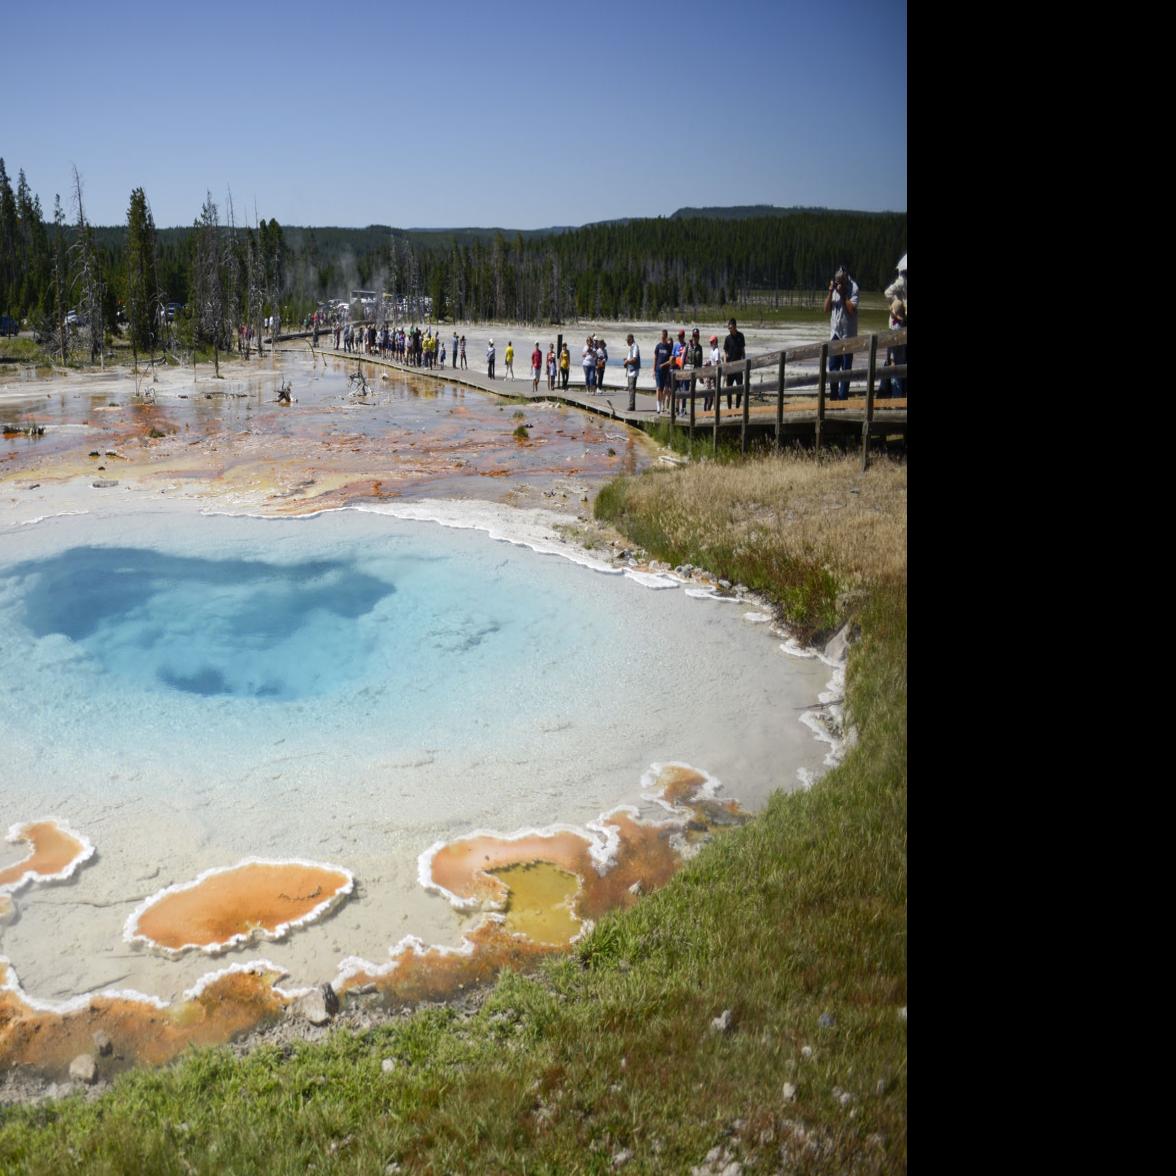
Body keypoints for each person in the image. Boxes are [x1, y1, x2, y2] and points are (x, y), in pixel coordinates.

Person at [823, 264, 859, 400]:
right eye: (837, 281)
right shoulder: (835, 289)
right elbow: (826, 309)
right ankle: (833, 397)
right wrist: (831, 292)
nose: (839, 283)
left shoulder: (853, 288)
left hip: (848, 335)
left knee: (846, 368)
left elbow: (851, 311)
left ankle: (843, 398)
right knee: (833, 367)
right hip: (835, 333)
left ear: (846, 279)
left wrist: (843, 295)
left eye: (841, 281)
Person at [723, 318, 746, 409]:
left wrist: (744, 362)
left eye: (731, 327)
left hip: (739, 366)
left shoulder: (741, 336)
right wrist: (725, 364)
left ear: (735, 326)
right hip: (730, 367)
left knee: (739, 389)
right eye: (729, 327)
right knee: (729, 389)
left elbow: (743, 350)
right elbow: (725, 352)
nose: (730, 329)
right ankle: (729, 409)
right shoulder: (727, 338)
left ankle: (737, 408)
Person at [653, 328, 673, 415]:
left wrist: (664, 364)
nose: (663, 338)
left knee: (663, 389)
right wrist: (653, 370)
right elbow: (655, 358)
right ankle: (658, 406)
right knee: (658, 387)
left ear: (666, 336)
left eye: (664, 336)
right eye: (662, 336)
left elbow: (671, 360)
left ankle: (661, 405)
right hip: (658, 370)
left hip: (665, 371)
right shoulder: (658, 346)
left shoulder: (669, 347)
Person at [623, 332, 640, 411]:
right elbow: (631, 358)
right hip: (630, 370)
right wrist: (626, 361)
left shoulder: (635, 346)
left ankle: (631, 406)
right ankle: (631, 405)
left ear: (631, 339)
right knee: (630, 388)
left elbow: (634, 359)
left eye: (628, 340)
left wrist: (627, 361)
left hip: (633, 371)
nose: (627, 342)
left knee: (631, 388)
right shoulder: (631, 347)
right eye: (627, 340)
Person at [704, 334, 721, 411]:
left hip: (714, 375)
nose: (710, 344)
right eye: (710, 342)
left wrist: (716, 374)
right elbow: (711, 361)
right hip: (710, 374)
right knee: (709, 393)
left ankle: (715, 410)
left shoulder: (717, 351)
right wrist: (707, 363)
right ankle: (709, 410)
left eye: (711, 342)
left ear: (715, 342)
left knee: (714, 393)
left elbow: (717, 363)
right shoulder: (712, 350)